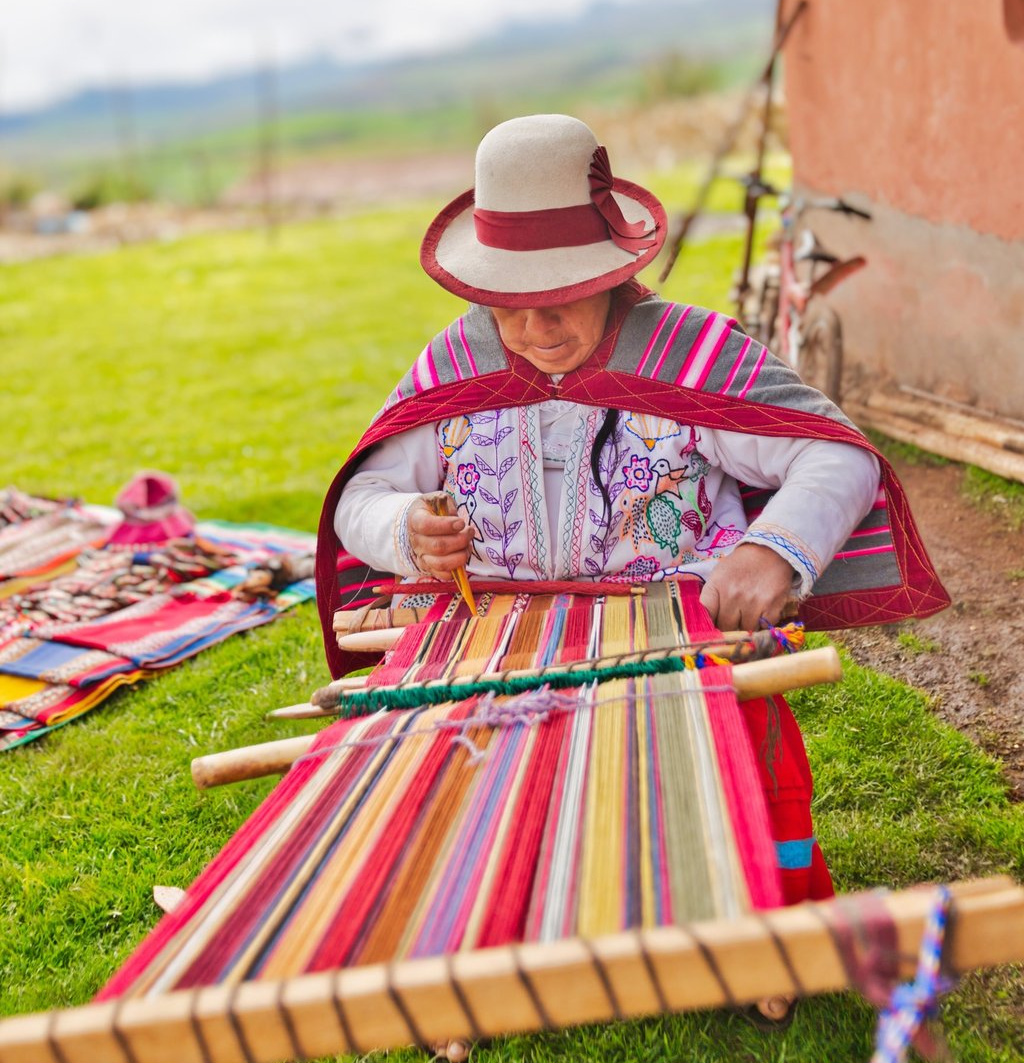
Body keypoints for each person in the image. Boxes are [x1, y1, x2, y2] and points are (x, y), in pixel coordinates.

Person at [317, 113, 948, 918]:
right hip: (488, 645)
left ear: (611, 273)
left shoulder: (688, 353)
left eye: (562, 299)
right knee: (462, 783)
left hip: (665, 632)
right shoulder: (456, 362)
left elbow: (838, 454)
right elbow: (360, 501)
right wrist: (405, 527)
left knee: (715, 753)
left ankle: (738, 907)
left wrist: (772, 551)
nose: (537, 330)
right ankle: (478, 916)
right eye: (512, 303)